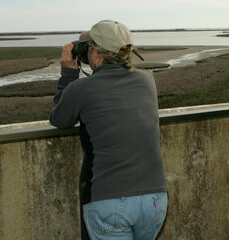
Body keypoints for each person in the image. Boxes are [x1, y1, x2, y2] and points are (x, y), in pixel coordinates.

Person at [49, 20, 168, 240]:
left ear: (96, 54)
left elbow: (59, 119)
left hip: (109, 200)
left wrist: (68, 74)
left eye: (89, 49)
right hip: (155, 199)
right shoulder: (147, 80)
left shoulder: (81, 89)